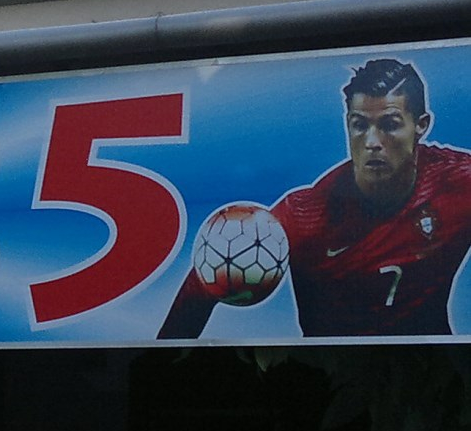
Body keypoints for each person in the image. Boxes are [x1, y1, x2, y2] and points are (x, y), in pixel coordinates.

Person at [159, 58, 471, 338]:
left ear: (421, 125)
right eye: (360, 125)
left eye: (390, 125)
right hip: (330, 377)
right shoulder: (304, 217)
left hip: (434, 376)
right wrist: (152, 367)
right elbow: (200, 286)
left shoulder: (459, 183)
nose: (372, 141)